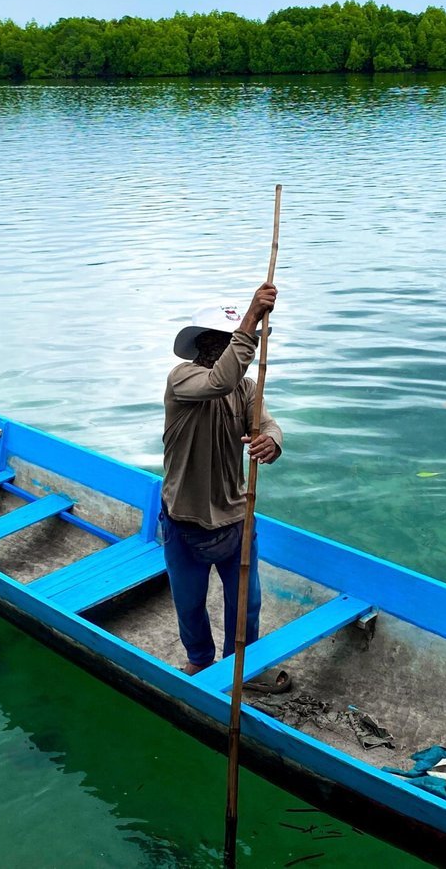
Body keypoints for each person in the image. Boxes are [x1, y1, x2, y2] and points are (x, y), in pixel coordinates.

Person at [161, 282, 285, 683]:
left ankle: (239, 669)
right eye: (229, 340)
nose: (239, 348)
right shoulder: (182, 379)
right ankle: (199, 659)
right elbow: (219, 381)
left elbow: (267, 421)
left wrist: (273, 440)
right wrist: (250, 318)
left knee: (247, 603)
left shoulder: (248, 389)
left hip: (235, 517)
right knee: (190, 602)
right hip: (185, 519)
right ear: (206, 344)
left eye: (241, 340)